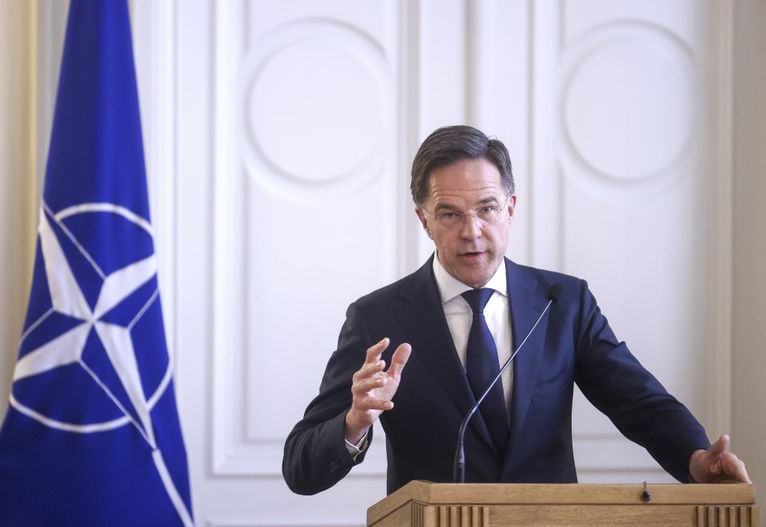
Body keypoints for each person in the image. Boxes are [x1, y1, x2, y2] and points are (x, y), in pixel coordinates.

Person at [282, 125, 750, 495]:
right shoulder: (377, 318)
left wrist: (695, 458)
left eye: (487, 209)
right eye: (450, 214)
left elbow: (638, 402)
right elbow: (300, 468)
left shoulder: (564, 303)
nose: (472, 231)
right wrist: (354, 422)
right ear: (424, 220)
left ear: (510, 208)